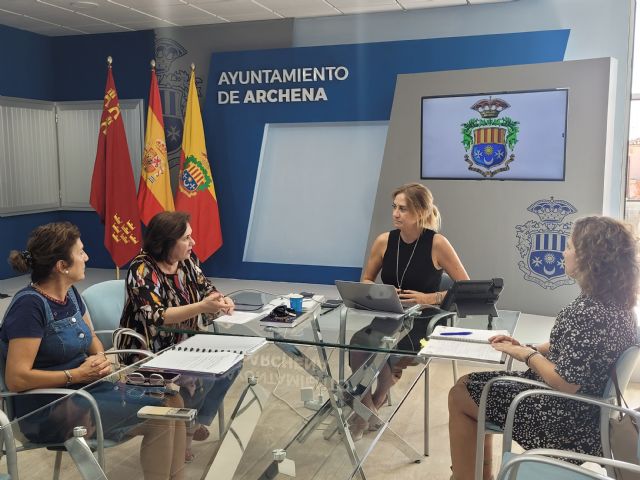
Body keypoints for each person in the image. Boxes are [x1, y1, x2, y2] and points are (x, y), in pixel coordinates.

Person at [448, 216, 639, 480]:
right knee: (468, 383)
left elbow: (565, 383)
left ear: (589, 259)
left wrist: (528, 355)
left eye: (570, 247)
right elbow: (578, 346)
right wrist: (533, 347)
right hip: (592, 413)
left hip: (563, 418)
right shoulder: (617, 304)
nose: (564, 252)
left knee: (460, 394)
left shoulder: (586, 311)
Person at [1, 222, 185, 480]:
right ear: (62, 266)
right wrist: (76, 374)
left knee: (172, 398)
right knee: (163, 414)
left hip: (86, 390)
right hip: (50, 409)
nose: (87, 257)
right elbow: (16, 378)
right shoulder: (29, 307)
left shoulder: (71, 294)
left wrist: (99, 358)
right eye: (81, 252)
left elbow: (92, 340)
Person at [350, 182, 469, 438]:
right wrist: (381, 294)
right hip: (389, 316)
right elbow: (366, 280)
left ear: (421, 212)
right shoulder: (384, 241)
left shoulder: (437, 243)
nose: (395, 214)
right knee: (357, 345)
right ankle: (367, 408)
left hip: (424, 323)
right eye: (394, 207)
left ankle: (376, 399)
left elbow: (466, 288)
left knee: (383, 349)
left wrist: (429, 297)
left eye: (403, 209)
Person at [119, 211, 237, 462]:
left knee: (232, 364)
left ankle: (192, 423)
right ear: (166, 241)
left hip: (186, 344)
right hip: (150, 351)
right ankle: (185, 428)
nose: (193, 243)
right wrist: (202, 307)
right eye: (186, 238)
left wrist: (220, 299)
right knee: (202, 373)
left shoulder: (186, 260)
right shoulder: (141, 268)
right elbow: (157, 317)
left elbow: (206, 287)